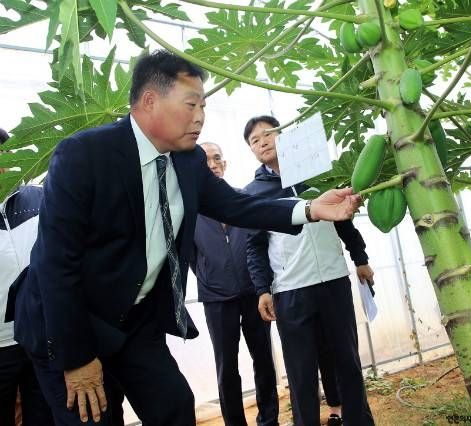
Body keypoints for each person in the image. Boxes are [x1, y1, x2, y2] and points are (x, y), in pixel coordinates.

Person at [9, 51, 360, 426]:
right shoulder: (84, 155)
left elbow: (238, 206)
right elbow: (55, 264)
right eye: (191, 104)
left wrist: (311, 209)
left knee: (175, 407)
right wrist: (77, 358)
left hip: (132, 321)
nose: (200, 116)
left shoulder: (188, 160)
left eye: (203, 106)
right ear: (150, 101)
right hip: (67, 321)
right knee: (94, 418)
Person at [243, 116, 375, 426]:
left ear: (284, 136)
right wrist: (262, 289)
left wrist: (360, 258)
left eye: (267, 134)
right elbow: (255, 246)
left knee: (348, 362)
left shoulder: (318, 174)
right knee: (301, 373)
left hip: (333, 280)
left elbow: (344, 221)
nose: (262, 142)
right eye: (254, 140)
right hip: (290, 289)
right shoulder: (253, 192)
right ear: (251, 149)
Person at [190, 142, 279, 426]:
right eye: (205, 161)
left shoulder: (243, 199)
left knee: (263, 359)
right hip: (216, 298)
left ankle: (269, 420)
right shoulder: (190, 209)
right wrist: (208, 276)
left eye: (217, 158)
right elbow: (190, 255)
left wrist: (262, 285)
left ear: (224, 164)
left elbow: (260, 243)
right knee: (226, 366)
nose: (212, 165)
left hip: (254, 293)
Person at [0, 128, 54, 425]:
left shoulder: (41, 198)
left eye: (3, 152)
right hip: (0, 342)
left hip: (40, 335)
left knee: (43, 416)